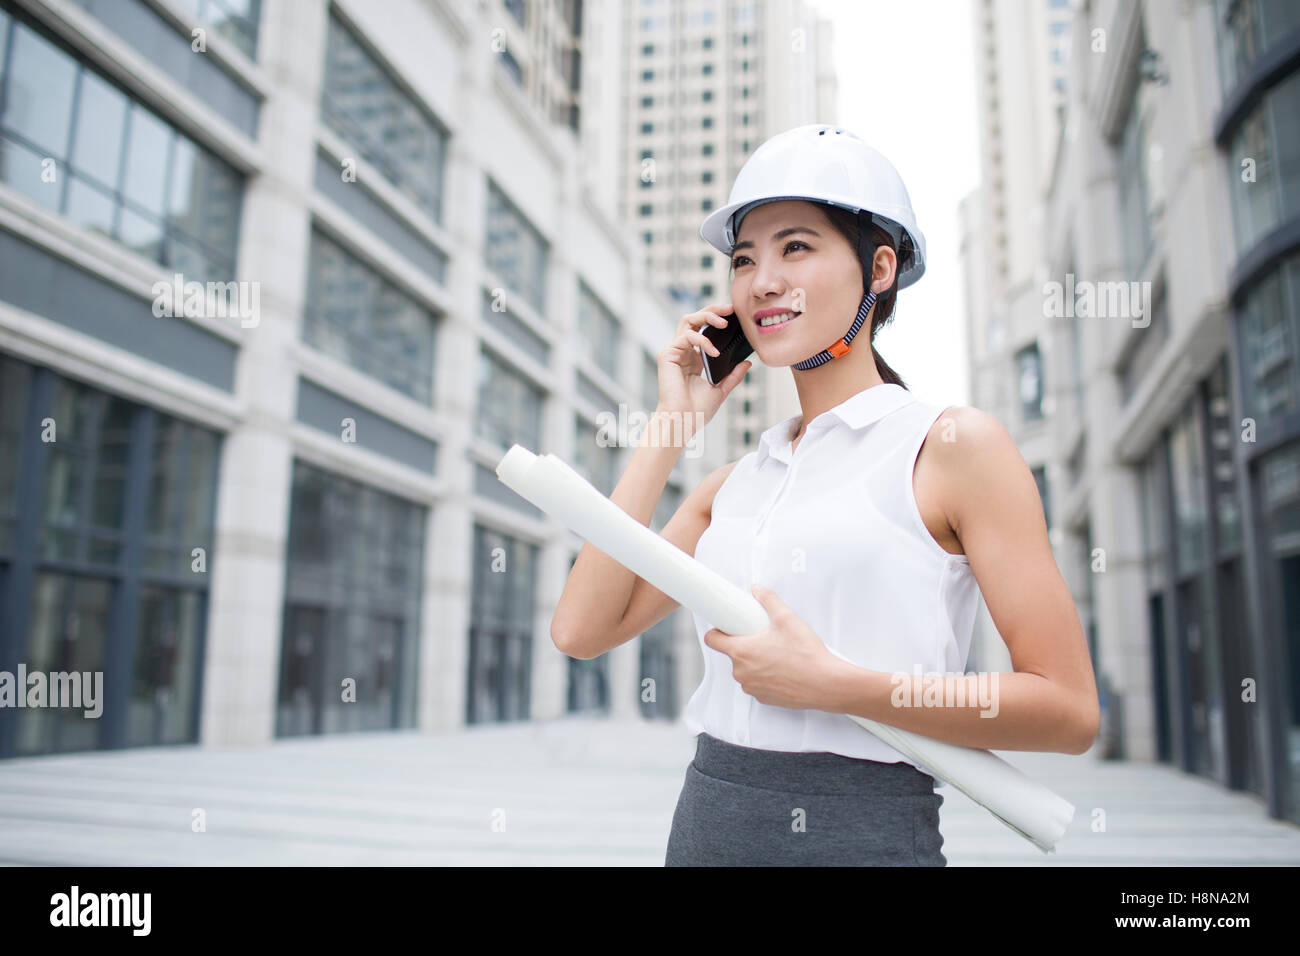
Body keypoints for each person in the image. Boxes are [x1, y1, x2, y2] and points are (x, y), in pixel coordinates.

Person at [551, 124, 1100, 866]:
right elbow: (580, 632)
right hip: (705, 830)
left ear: (879, 268)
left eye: (796, 248)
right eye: (745, 259)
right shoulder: (735, 485)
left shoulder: (952, 448)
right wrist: (672, 426)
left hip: (864, 838)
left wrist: (837, 686)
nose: (762, 282)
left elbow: (1067, 711)